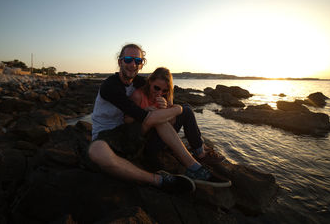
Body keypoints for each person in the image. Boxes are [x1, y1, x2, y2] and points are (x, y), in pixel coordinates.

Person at [88, 44, 231, 194]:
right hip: (108, 134)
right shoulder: (110, 86)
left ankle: (195, 167)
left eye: (138, 61)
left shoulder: (140, 82)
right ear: (120, 62)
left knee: (169, 115)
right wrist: (178, 108)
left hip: (131, 130)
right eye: (128, 59)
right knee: (96, 151)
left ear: (142, 64)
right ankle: (160, 180)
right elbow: (145, 116)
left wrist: (169, 105)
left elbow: (157, 95)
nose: (133, 65)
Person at [130, 67, 225, 169]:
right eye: (156, 88)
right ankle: (200, 150)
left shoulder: (165, 97)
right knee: (186, 110)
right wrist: (144, 112)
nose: (160, 93)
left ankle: (199, 149)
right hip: (146, 141)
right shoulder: (138, 95)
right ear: (150, 82)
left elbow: (172, 122)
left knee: (187, 109)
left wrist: (165, 109)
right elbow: (127, 121)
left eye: (165, 90)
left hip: (162, 137)